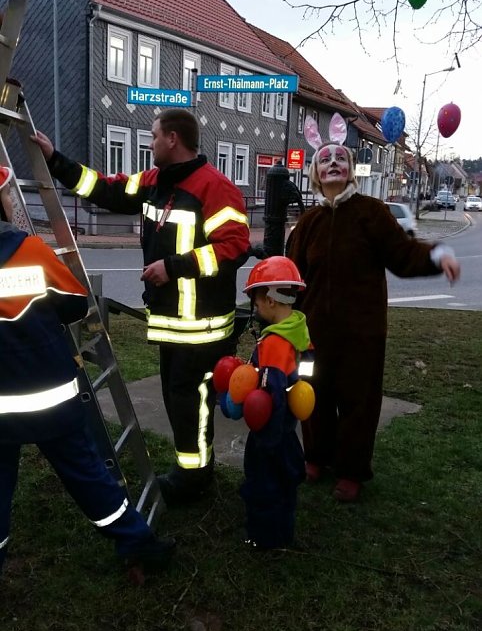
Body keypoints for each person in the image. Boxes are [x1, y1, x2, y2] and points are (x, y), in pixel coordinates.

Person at [32, 109, 250, 506]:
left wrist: (173, 267)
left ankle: (194, 478)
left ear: (173, 139)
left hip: (202, 328)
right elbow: (106, 190)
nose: (149, 144)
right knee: (179, 401)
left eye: (152, 137)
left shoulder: (215, 188)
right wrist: (54, 159)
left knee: (190, 403)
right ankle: (196, 468)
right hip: (174, 325)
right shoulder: (155, 182)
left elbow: (233, 247)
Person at [0, 166, 175, 577]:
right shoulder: (28, 251)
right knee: (88, 476)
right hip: (49, 400)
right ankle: (137, 543)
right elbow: (76, 305)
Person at [286, 142, 460, 503]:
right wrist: (281, 312)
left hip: (361, 332)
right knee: (312, 394)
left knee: (358, 401)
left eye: (341, 158)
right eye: (325, 159)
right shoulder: (307, 222)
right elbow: (293, 276)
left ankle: (351, 470)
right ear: (315, 173)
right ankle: (316, 456)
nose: (333, 163)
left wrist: (436, 255)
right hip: (314, 332)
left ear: (351, 169)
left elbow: (403, 253)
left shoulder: (371, 212)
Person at [240, 256, 311, 549]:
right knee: (285, 482)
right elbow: (304, 375)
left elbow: (269, 397)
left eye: (255, 299)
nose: (255, 306)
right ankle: (284, 533)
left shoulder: (273, 344)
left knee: (264, 483)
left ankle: (264, 539)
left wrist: (264, 438)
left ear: (270, 299)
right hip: (289, 426)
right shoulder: (299, 331)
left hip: (270, 432)